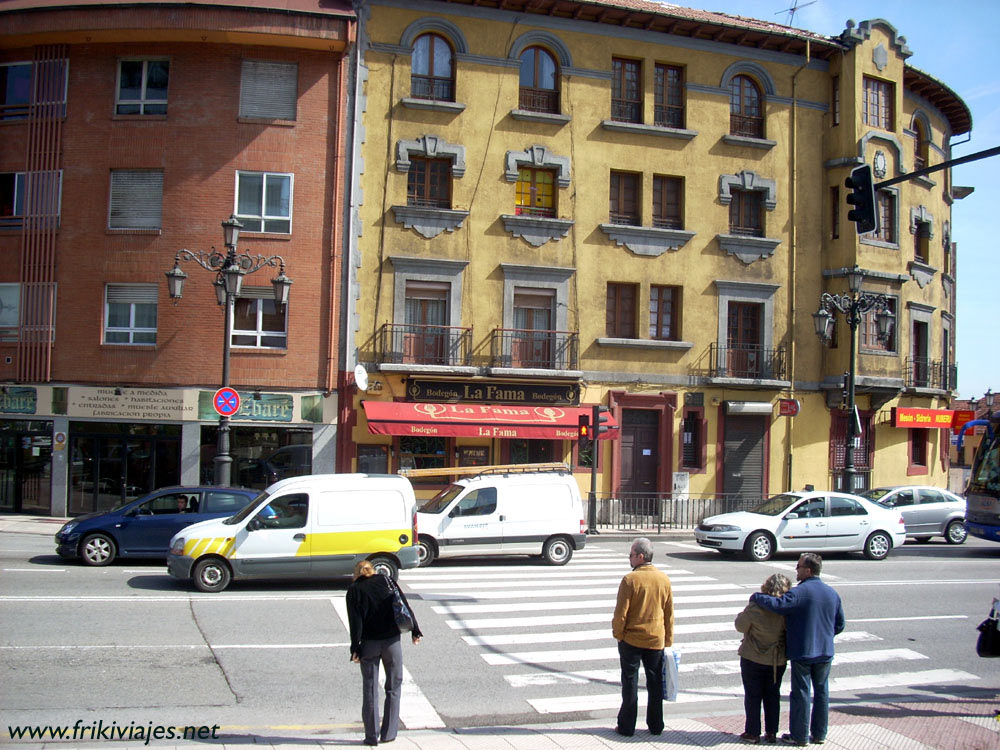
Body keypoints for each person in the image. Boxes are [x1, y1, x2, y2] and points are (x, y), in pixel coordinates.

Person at [751, 553, 845, 747]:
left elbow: (777, 605)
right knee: (822, 692)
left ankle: (799, 735)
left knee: (801, 693)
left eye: (799, 567)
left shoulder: (799, 592)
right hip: (825, 651)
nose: (796, 570)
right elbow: (839, 624)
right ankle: (819, 734)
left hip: (803, 651)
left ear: (808, 570)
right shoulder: (832, 593)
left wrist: (757, 596)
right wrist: (825, 637)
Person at [346, 560, 423, 746]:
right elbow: (403, 605)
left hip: (369, 644)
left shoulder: (354, 590)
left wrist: (355, 648)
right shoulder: (387, 581)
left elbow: (355, 623)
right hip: (392, 642)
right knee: (394, 686)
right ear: (373, 570)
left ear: (356, 574)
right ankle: (389, 734)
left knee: (370, 689)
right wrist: (415, 630)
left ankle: (371, 736)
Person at [611, 537, 674, 737]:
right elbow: (669, 613)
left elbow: (621, 613)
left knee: (630, 683)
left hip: (632, 639)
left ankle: (627, 726)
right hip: (656, 639)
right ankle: (656, 725)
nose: (629, 558)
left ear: (640, 556)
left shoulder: (630, 580)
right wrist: (668, 639)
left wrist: (618, 634)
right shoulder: (663, 579)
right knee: (655, 683)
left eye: (631, 555)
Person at [736, 573, 792, 744]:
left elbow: (740, 626)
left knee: (753, 696)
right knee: (772, 695)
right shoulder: (786, 610)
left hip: (753, 656)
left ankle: (752, 732)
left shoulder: (756, 606)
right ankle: (771, 732)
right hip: (776, 659)